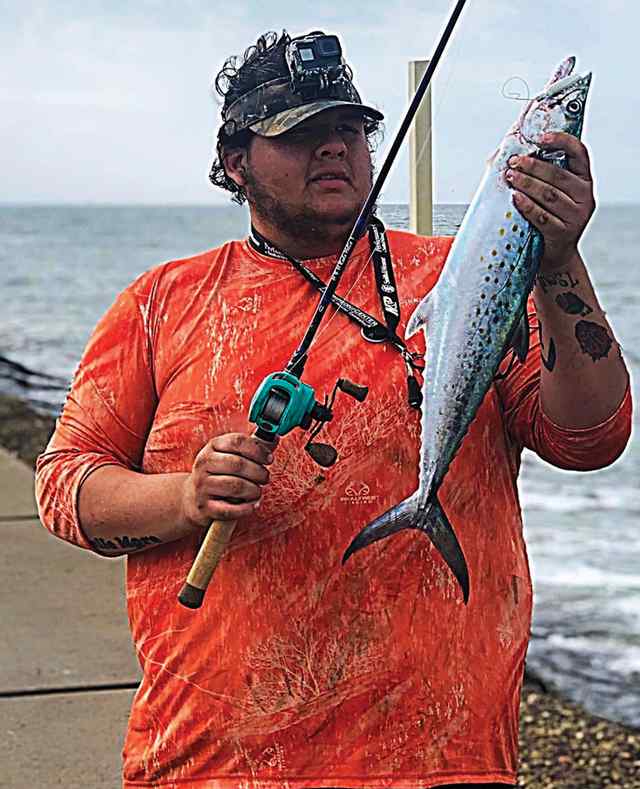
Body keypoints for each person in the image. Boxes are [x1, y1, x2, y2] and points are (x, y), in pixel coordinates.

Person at [35, 29, 631, 789]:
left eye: (349, 128)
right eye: (301, 132)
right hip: (216, 759)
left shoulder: (466, 278)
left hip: (444, 755)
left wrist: (555, 256)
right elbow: (63, 487)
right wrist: (184, 496)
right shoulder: (164, 303)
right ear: (234, 162)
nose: (334, 148)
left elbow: (590, 436)